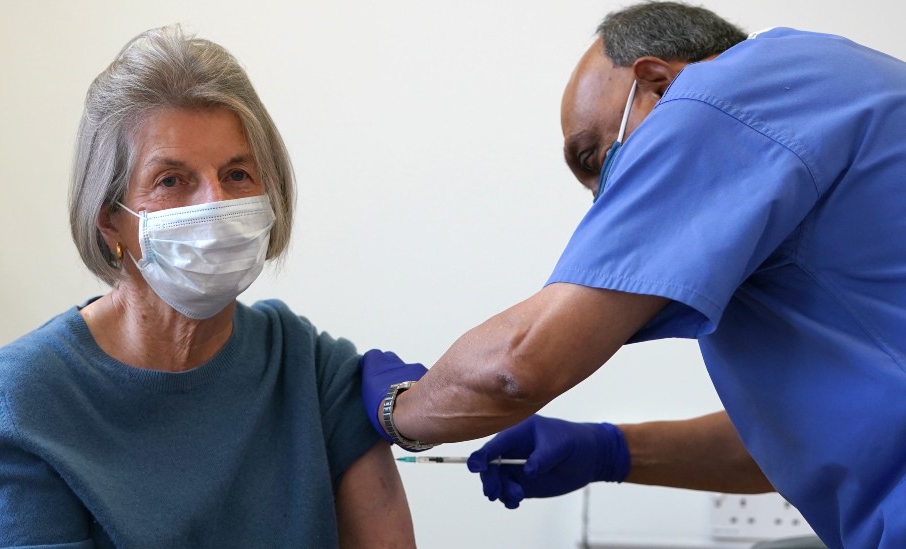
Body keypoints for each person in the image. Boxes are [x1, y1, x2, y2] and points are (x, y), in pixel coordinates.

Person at [361, 2, 906, 548]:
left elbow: (516, 368)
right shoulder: (836, 85)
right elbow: (801, 448)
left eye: (595, 158)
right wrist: (609, 450)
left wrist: (396, 409)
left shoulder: (725, 95)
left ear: (657, 83)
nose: (606, 198)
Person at [0, 25, 414, 549]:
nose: (213, 205)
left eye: (237, 174)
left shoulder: (303, 365)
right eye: (171, 180)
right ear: (110, 222)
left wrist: (420, 409)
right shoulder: (27, 398)